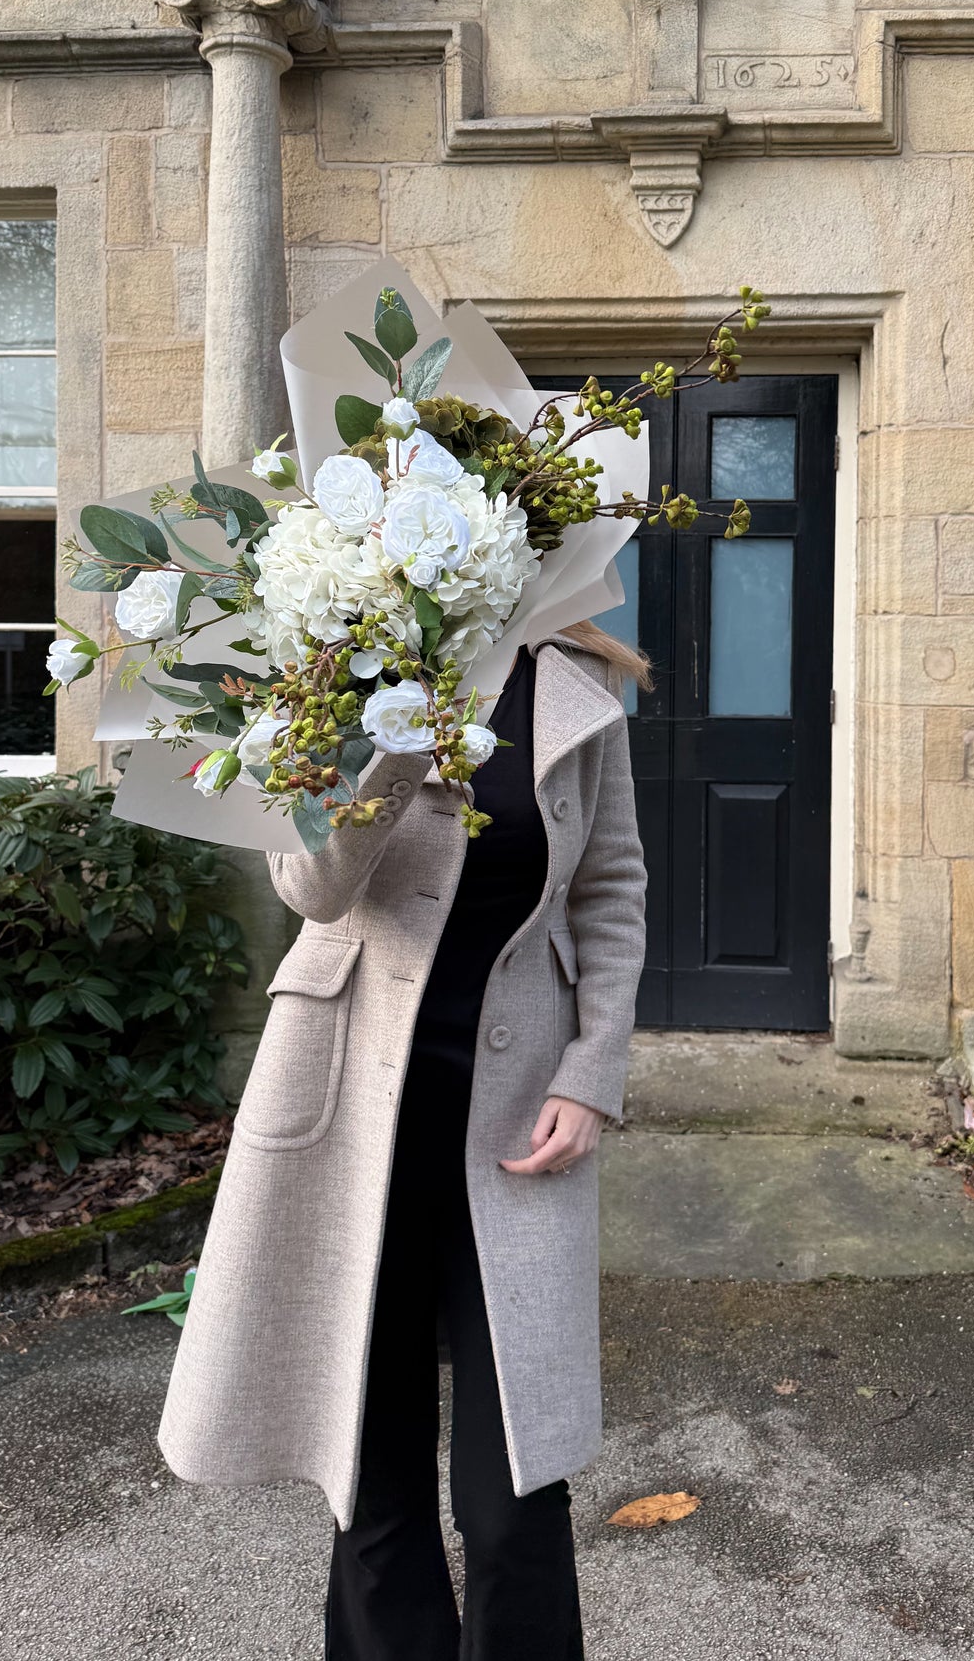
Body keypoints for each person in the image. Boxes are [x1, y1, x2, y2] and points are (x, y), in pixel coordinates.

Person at [157, 620, 650, 1660]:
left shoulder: (574, 688)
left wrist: (591, 1072)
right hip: (351, 1101)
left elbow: (610, 891)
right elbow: (311, 888)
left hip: (517, 1116)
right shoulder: (334, 669)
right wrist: (388, 726)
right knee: (371, 1474)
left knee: (515, 1482)